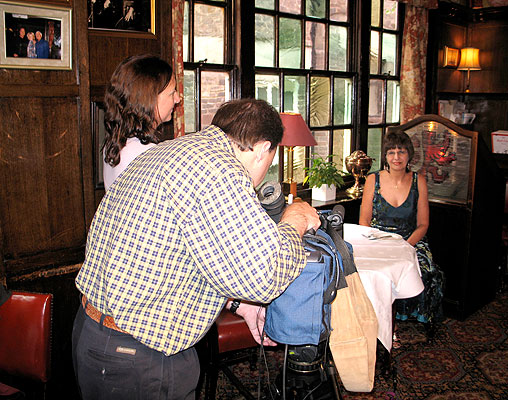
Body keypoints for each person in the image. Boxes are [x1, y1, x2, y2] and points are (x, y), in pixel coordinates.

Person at [72, 93, 321, 399]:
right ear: (262, 150)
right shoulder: (219, 170)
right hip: (140, 356)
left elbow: (187, 256)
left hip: (97, 336)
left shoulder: (169, 151)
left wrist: (239, 305)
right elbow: (267, 275)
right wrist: (295, 219)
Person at [359, 131, 444, 331]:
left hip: (410, 240)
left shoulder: (418, 181)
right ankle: (380, 321)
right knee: (372, 273)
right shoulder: (372, 179)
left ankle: (408, 322)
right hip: (377, 240)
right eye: (391, 152)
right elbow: (364, 220)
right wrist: (376, 243)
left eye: (401, 152)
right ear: (385, 156)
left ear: (409, 155)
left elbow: (423, 224)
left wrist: (405, 246)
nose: (396, 157)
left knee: (426, 270)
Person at [102, 54, 178, 190]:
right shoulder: (146, 155)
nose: (178, 99)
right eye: (172, 93)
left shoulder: (116, 143)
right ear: (150, 99)